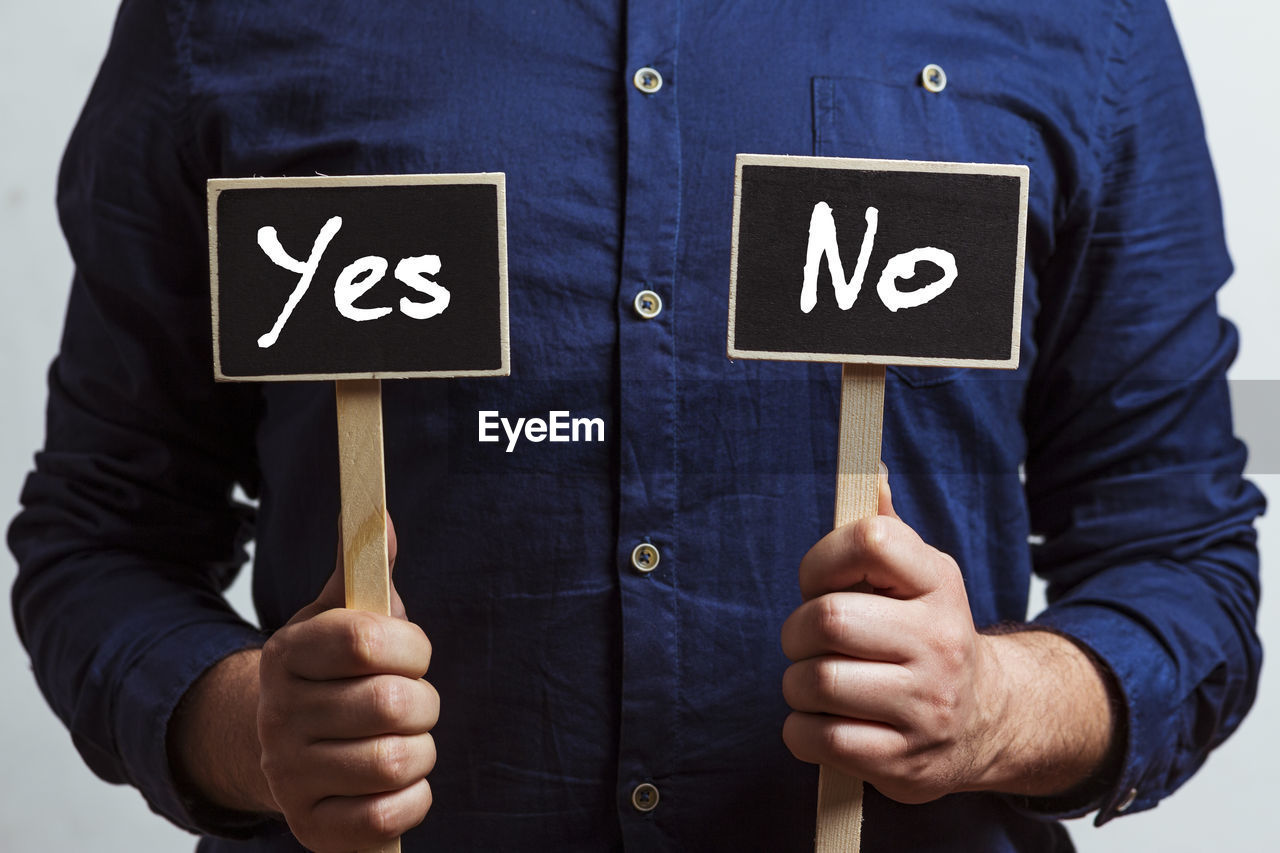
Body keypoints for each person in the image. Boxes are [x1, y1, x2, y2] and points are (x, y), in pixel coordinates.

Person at [9, 1, 1264, 851]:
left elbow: (1182, 558)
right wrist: (247, 729)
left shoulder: (1078, 21)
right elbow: (99, 535)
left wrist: (996, 701)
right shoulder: (219, 20)